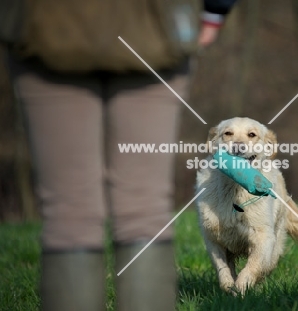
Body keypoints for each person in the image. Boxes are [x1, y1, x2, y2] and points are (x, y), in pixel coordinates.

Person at [2, 0, 237, 310]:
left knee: (69, 213)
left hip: (45, 24)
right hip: (152, 26)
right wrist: (215, 10)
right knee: (144, 210)